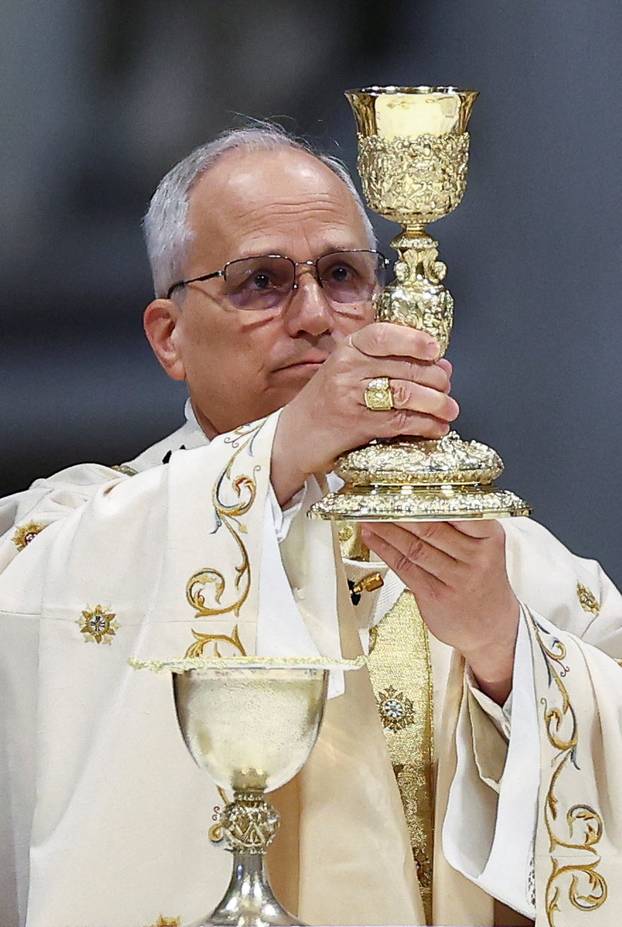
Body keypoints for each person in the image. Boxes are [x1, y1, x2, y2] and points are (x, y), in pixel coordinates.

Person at [1, 124, 620, 927]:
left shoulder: (489, 551)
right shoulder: (82, 526)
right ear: (169, 336)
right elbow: (31, 616)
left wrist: (506, 654)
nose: (316, 315)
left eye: (342, 274)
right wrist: (284, 447)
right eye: (261, 281)